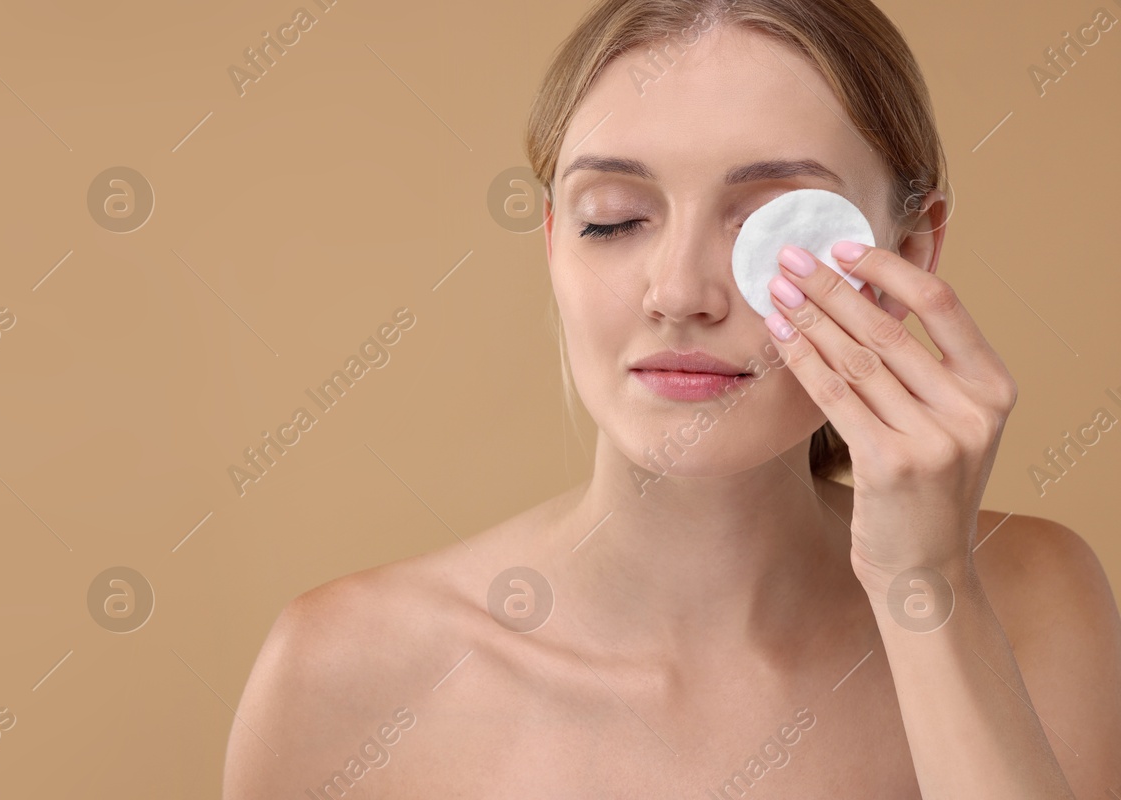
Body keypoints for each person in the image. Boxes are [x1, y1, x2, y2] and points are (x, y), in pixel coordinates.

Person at [224, 1, 1121, 796]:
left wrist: (927, 589)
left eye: (771, 222)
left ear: (910, 253)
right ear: (552, 243)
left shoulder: (1036, 602)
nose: (680, 289)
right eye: (612, 218)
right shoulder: (345, 674)